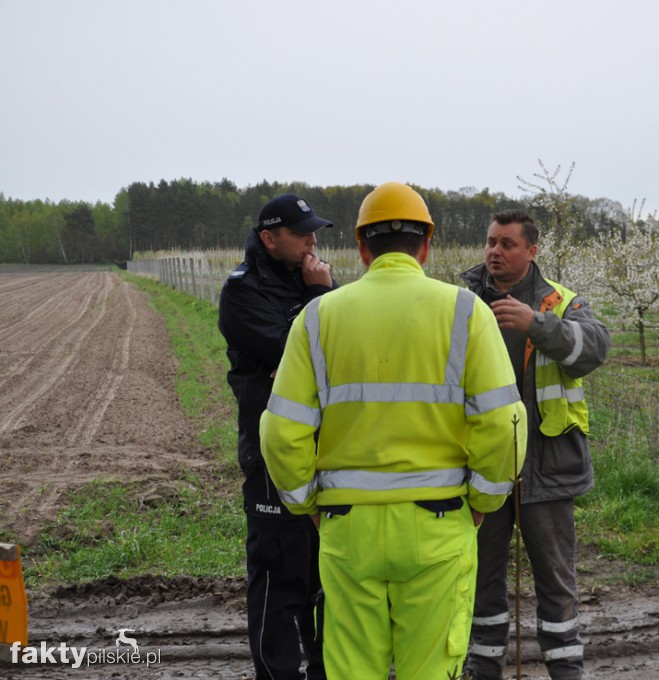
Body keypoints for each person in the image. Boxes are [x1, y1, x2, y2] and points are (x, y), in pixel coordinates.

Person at [259, 182, 527, 680]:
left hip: (348, 529)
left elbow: (280, 431)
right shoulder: (466, 312)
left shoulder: (318, 318)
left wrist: (307, 505)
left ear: (361, 248)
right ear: (427, 245)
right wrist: (483, 502)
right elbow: (503, 422)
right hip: (439, 525)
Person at [460, 209, 610, 680]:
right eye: (490, 242)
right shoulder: (462, 303)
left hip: (547, 469)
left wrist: (536, 325)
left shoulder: (558, 303)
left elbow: (595, 348)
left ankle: (566, 671)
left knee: (556, 583)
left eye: (506, 244)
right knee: (481, 578)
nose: (494, 252)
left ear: (531, 251)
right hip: (483, 466)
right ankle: (482, 667)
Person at [218, 193, 337, 680]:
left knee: (325, 573)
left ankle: (326, 670)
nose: (313, 241)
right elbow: (302, 353)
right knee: (276, 573)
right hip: (271, 453)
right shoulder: (242, 292)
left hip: (325, 447)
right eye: (301, 233)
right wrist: (317, 298)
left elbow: (333, 353)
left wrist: (318, 299)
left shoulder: (317, 282)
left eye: (314, 232)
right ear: (269, 238)